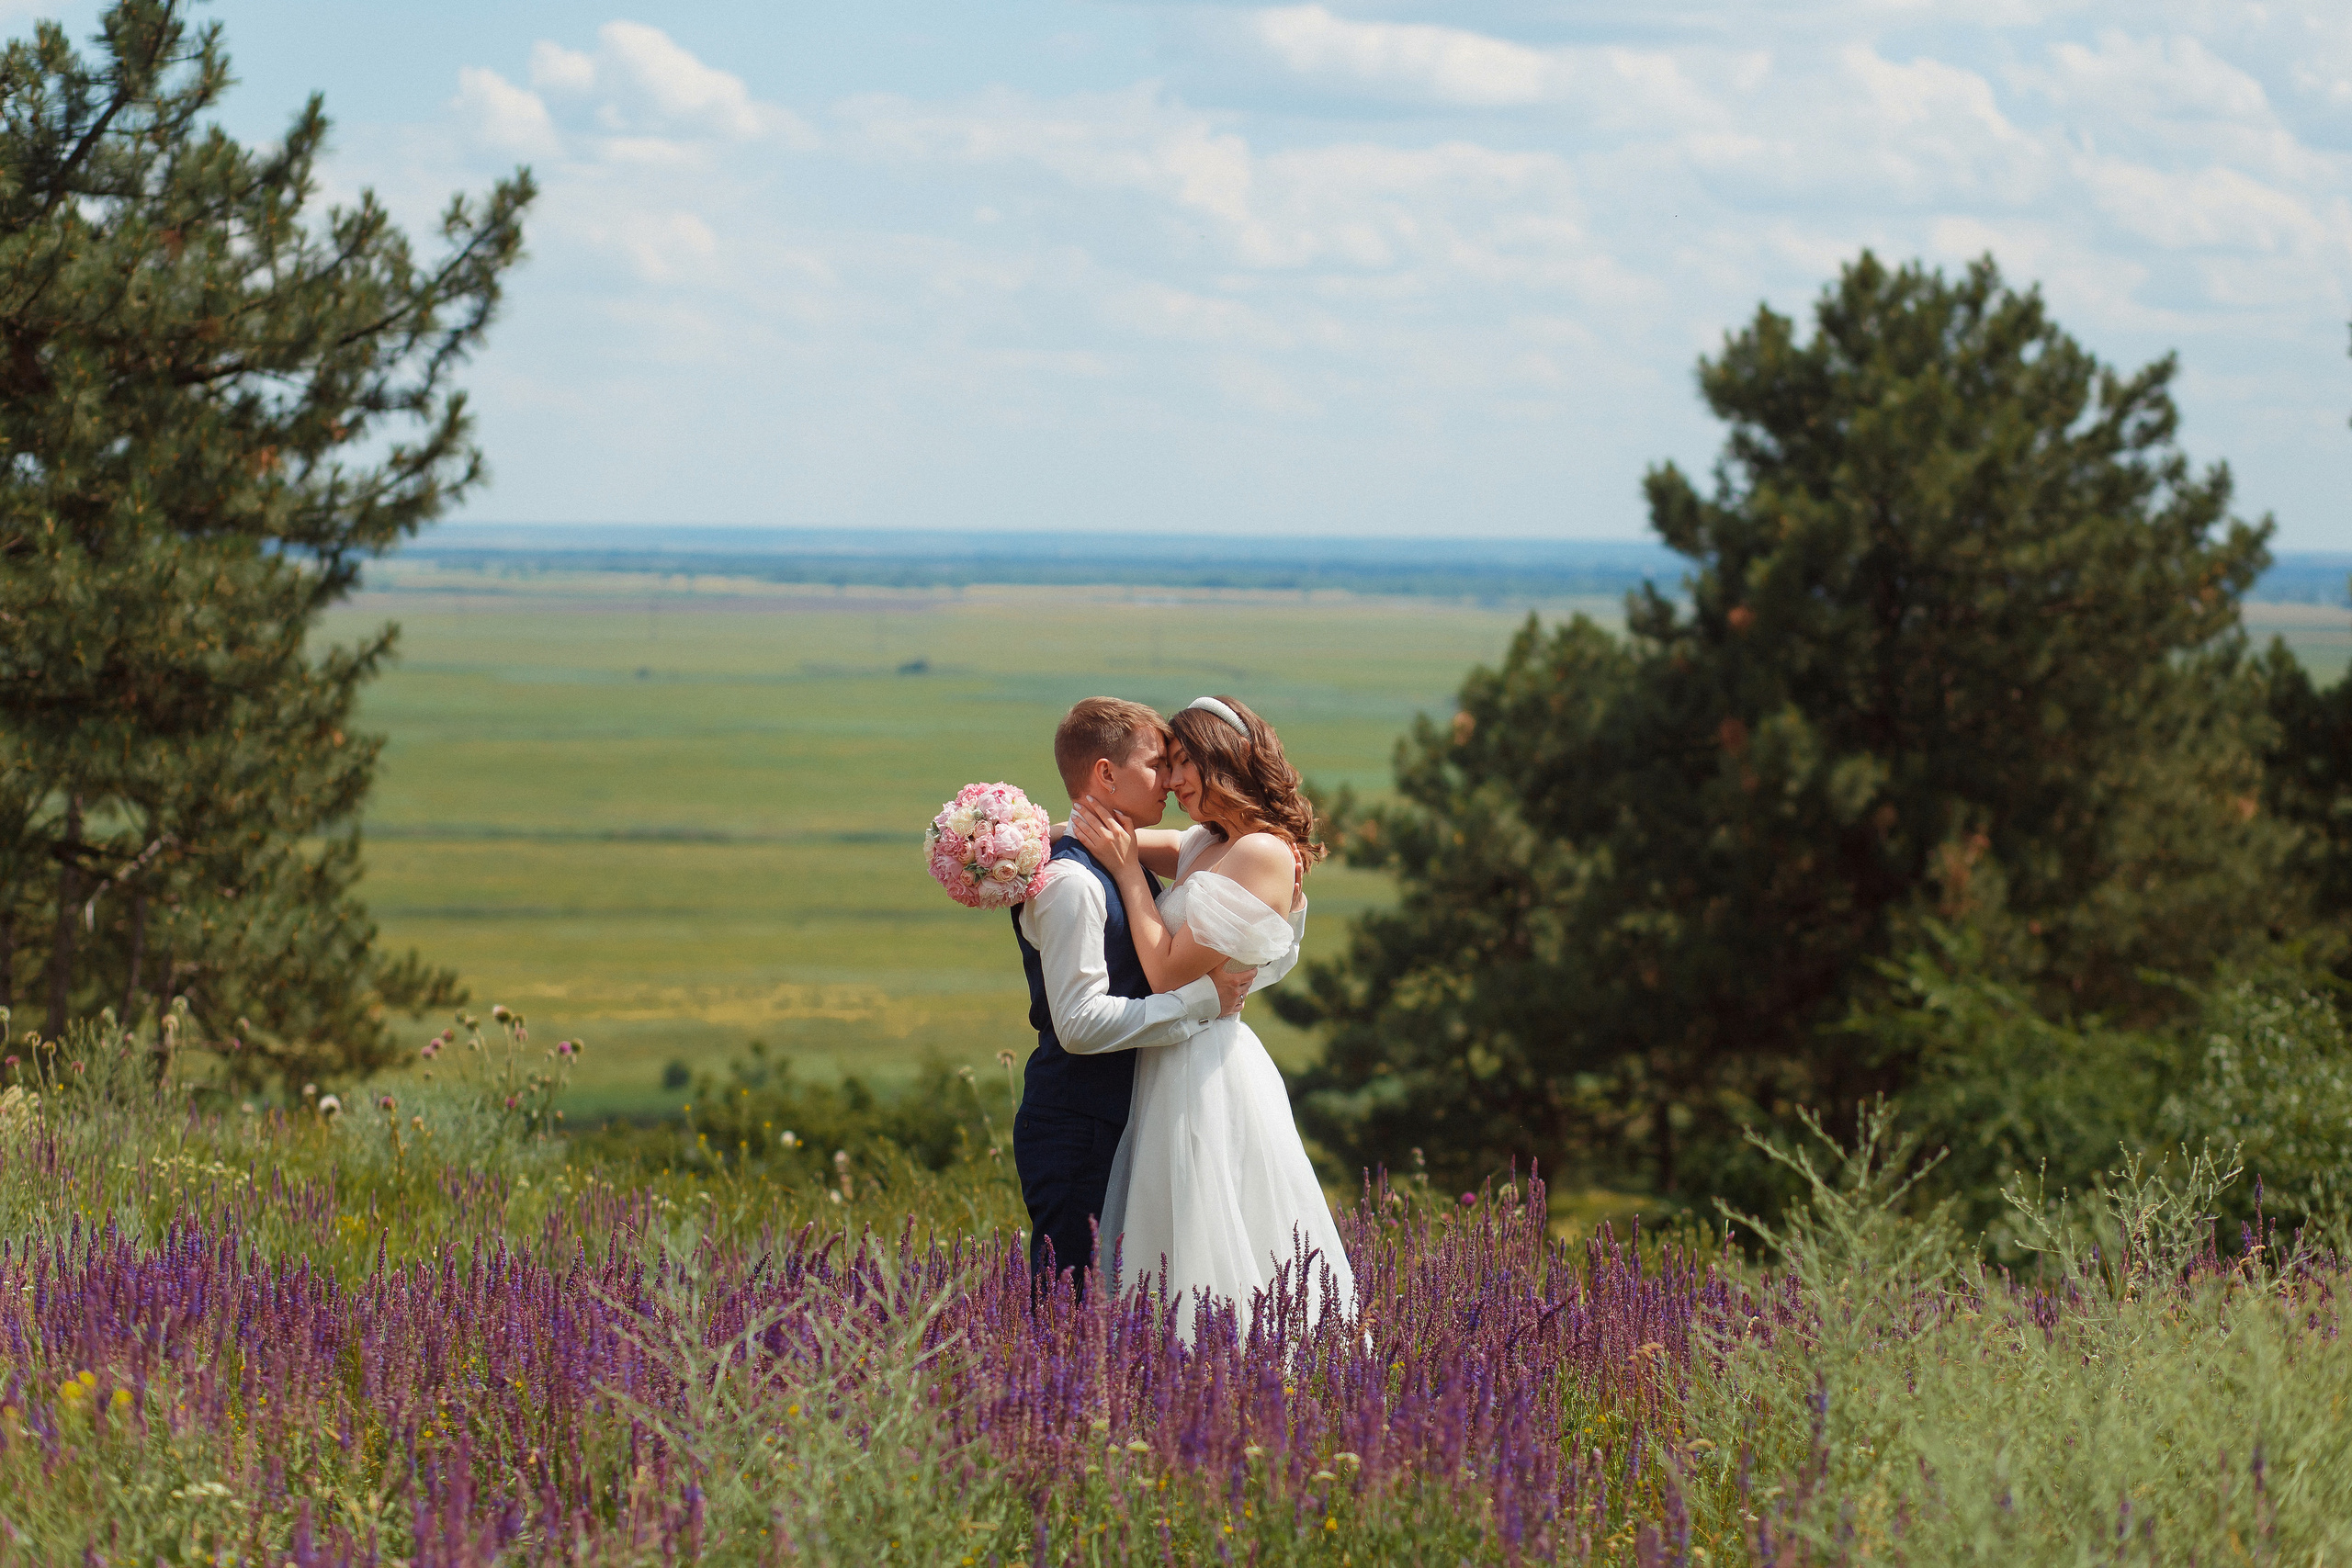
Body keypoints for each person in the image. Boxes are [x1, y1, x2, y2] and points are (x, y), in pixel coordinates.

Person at [1069, 694, 1357, 1337]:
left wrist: (1128, 875)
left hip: (1206, 1070)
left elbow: (1168, 972)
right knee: (1162, 1231)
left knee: (1208, 1229)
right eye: (1166, 765)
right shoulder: (1207, 841)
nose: (1172, 781)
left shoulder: (1264, 854)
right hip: (1170, 1055)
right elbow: (1111, 835)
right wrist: (1010, 836)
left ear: (1220, 759)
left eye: (1181, 763)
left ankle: (1230, 1367)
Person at [1010, 697, 1257, 1291]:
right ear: (1106, 773)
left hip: (1123, 1117)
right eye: (1155, 765)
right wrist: (1202, 1001)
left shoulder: (1121, 858)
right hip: (1077, 1123)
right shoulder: (1071, 883)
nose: (1169, 781)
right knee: (1070, 1308)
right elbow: (1080, 1025)